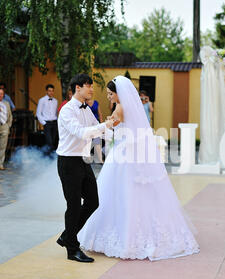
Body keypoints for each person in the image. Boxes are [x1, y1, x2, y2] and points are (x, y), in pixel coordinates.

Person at [78, 76, 200, 261]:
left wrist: (107, 125)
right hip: (130, 153)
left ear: (119, 94)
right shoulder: (129, 108)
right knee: (140, 195)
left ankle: (125, 238)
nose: (109, 97)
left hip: (122, 155)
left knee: (118, 194)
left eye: (111, 94)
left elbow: (112, 130)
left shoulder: (119, 108)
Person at [55, 73, 114, 263]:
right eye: (88, 86)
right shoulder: (66, 111)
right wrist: (106, 125)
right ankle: (72, 249)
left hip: (83, 160)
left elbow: (98, 130)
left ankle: (67, 236)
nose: (91, 89)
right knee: (73, 205)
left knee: (93, 201)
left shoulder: (87, 109)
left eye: (91, 86)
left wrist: (121, 135)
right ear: (77, 88)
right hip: (68, 162)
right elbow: (82, 133)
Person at [36, 84, 58, 153]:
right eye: (49, 91)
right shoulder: (42, 100)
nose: (51, 92)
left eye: (52, 91)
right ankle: (49, 159)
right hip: (47, 123)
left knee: (54, 141)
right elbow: (38, 113)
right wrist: (44, 123)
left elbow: (55, 113)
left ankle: (51, 156)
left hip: (54, 123)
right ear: (46, 91)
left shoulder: (55, 101)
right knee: (49, 142)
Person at [86, 98, 103, 163]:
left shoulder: (96, 102)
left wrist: (101, 126)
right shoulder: (83, 103)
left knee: (97, 141)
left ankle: (100, 159)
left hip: (96, 125)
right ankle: (87, 159)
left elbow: (100, 114)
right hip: (87, 126)